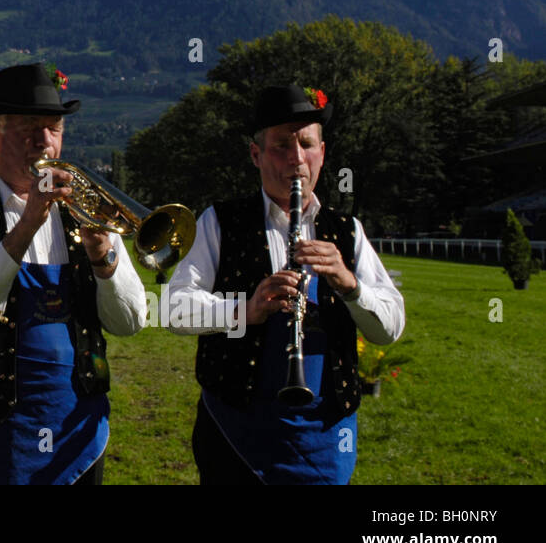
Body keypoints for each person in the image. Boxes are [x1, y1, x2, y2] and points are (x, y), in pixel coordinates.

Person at [166, 85, 405, 484]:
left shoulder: (347, 230)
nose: (297, 159)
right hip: (234, 433)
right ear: (256, 155)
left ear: (323, 153)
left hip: (324, 438)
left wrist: (350, 285)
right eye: (281, 145)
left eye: (307, 144)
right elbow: (173, 308)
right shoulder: (220, 221)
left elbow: (390, 327)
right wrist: (246, 311)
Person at [0, 63, 147, 484]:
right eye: (29, 127)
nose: (45, 141)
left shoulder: (86, 209)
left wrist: (104, 258)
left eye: (54, 128)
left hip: (76, 436)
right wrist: (28, 222)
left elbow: (131, 322)